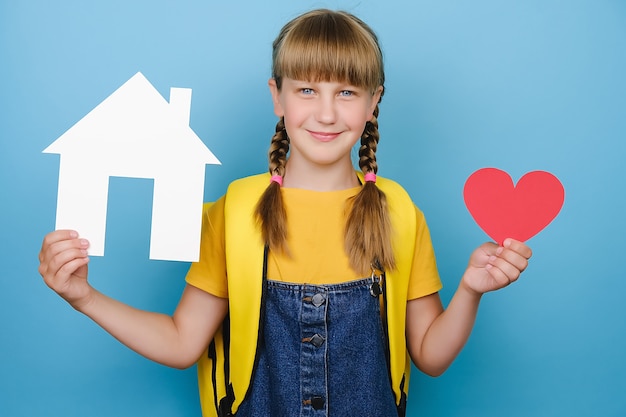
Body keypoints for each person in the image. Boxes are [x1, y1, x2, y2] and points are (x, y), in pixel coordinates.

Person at [38, 8, 532, 417]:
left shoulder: (398, 210)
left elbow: (430, 354)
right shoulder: (235, 210)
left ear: (373, 103)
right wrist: (84, 297)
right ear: (277, 95)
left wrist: (470, 290)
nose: (325, 113)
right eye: (306, 90)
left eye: (346, 92)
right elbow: (182, 342)